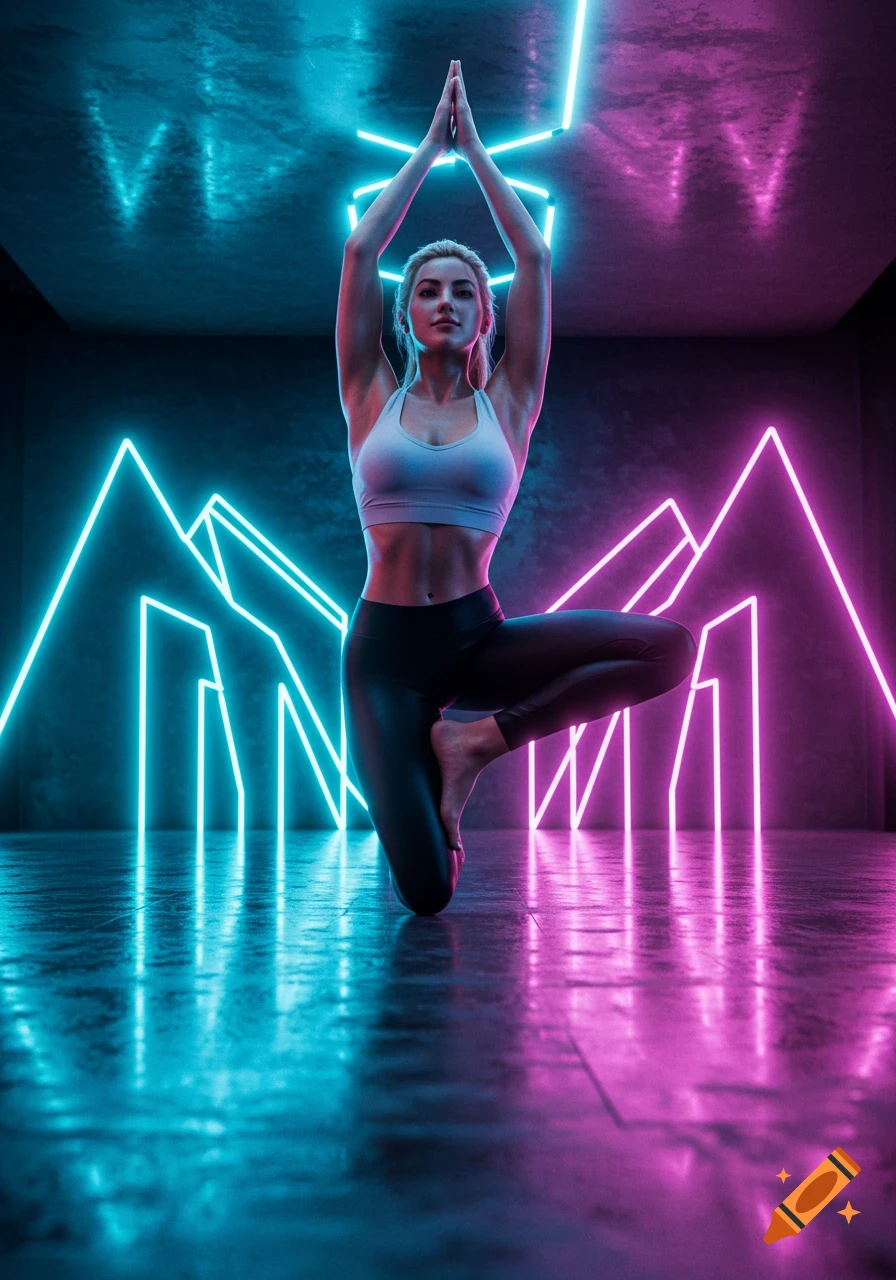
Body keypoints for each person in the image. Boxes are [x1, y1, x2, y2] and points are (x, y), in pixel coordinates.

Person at [337, 60, 695, 915]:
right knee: (427, 894)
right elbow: (358, 249)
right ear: (407, 312)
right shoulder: (367, 394)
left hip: (475, 636)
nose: (448, 301)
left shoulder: (511, 401)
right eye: (428, 290)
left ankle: (474, 745)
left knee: (668, 647)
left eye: (465, 291)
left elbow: (531, 252)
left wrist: (479, 155)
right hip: (384, 655)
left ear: (485, 315)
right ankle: (441, 777)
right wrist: (429, 150)